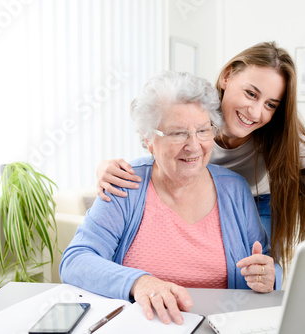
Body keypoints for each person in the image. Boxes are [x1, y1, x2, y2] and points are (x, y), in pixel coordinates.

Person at [96, 41, 305, 271]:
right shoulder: (199, 109)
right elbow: (162, 140)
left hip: (258, 202)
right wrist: (106, 167)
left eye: (270, 104)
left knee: (258, 273)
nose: (255, 112)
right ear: (227, 76)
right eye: (251, 93)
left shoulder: (279, 133)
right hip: (206, 197)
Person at [60, 71, 278, 326]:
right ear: (148, 139)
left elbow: (265, 263)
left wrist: (268, 276)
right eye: (177, 133)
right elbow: (75, 260)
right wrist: (139, 282)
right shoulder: (126, 184)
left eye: (203, 130)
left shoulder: (235, 189)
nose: (194, 146)